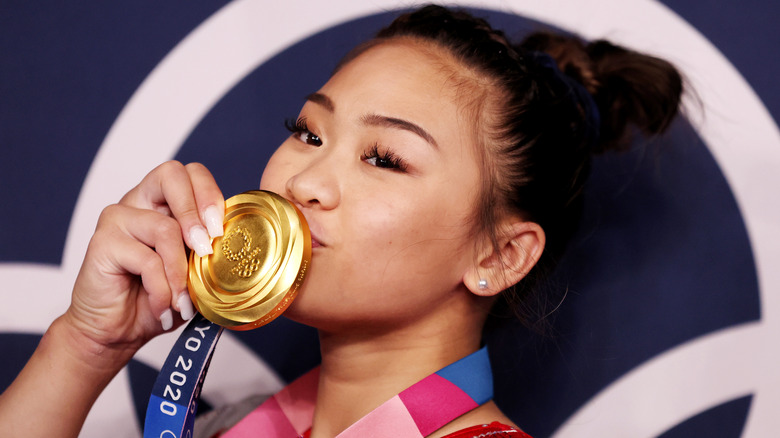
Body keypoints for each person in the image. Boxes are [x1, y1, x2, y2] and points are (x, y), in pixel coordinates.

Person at [0, 4, 683, 437]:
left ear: (499, 256)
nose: (306, 182)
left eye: (384, 158)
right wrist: (84, 346)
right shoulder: (227, 426)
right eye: (308, 132)